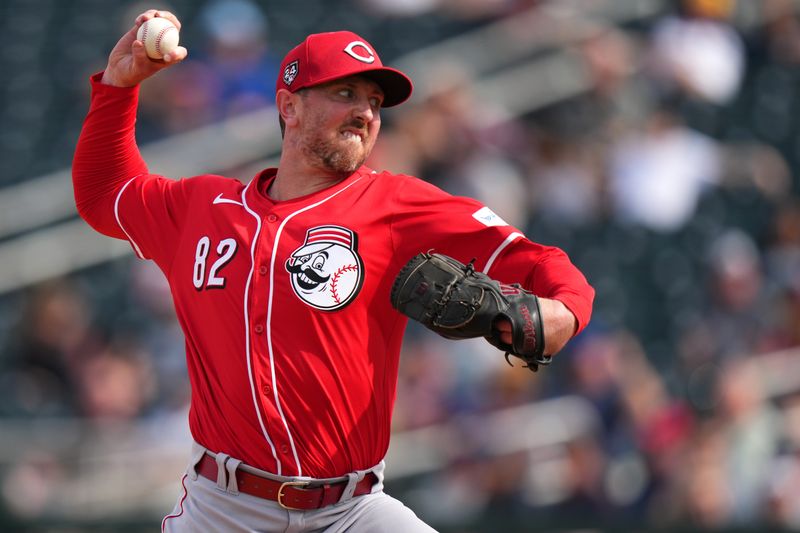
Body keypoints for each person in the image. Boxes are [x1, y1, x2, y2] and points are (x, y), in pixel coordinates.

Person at [72, 9, 594, 532]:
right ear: (289, 106)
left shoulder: (396, 204)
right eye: (345, 94)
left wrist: (566, 310)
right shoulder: (202, 208)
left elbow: (539, 261)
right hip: (221, 509)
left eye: (374, 101)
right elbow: (103, 195)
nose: (365, 112)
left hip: (352, 510)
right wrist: (119, 87)